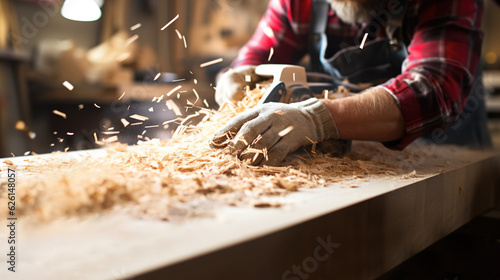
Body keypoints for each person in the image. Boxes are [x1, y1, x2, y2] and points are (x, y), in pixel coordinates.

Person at [211, 0, 492, 166]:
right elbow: (254, 59)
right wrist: (235, 78)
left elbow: (434, 89)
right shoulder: (297, 4)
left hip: (448, 164)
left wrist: (316, 118)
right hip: (355, 167)